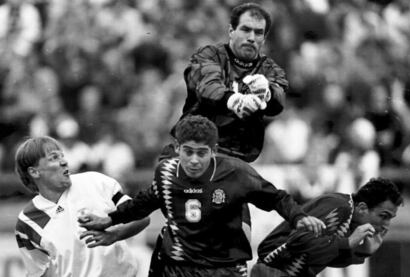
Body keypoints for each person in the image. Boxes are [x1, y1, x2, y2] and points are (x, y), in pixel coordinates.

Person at [79, 115, 325, 277]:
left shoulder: (236, 173)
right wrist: (108, 221)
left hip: (224, 267)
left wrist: (298, 217)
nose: (194, 160)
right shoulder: (166, 173)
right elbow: (143, 203)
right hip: (179, 266)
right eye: (188, 152)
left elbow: (276, 197)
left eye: (201, 153)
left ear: (214, 151)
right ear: (177, 149)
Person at [162, 2, 288, 163]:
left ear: (263, 39)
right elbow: (207, 86)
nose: (251, 38)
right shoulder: (209, 54)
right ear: (231, 31)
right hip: (193, 153)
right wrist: (234, 100)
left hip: (238, 161)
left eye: (258, 33)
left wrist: (268, 93)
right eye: (245, 29)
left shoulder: (270, 69)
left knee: (270, 188)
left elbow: (279, 101)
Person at [14, 136, 150, 277]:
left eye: (62, 156)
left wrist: (114, 235)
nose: (64, 161)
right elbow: (39, 273)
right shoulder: (27, 222)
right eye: (54, 157)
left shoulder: (95, 182)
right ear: (34, 172)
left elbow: (143, 217)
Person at [251, 177, 403, 277]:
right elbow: (299, 241)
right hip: (273, 271)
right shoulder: (339, 206)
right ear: (362, 208)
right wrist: (347, 243)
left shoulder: (350, 218)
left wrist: (362, 251)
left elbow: (320, 258)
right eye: (384, 216)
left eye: (390, 218)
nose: (386, 225)